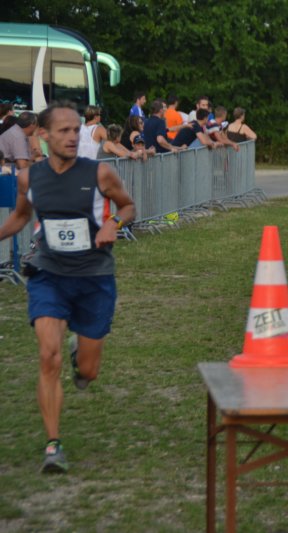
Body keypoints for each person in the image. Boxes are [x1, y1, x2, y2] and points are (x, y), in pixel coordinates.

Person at [0, 101, 136, 472]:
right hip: (49, 274)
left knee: (88, 372)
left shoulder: (100, 173)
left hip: (94, 277)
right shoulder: (29, 178)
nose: (73, 137)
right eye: (64, 130)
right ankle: (53, 445)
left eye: (76, 129)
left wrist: (113, 225)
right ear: (43, 135)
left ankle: (82, 356)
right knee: (48, 356)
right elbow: (21, 217)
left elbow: (127, 207)